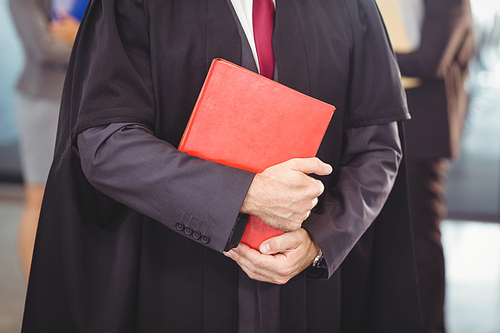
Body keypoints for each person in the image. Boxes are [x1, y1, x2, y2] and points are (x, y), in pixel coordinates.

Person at [21, 0, 422, 332]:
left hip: (303, 293)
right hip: (174, 276)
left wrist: (320, 241)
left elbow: (377, 146)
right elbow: (104, 139)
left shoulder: (349, 5)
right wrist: (245, 193)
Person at [378, 0, 474, 331]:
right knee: (395, 241)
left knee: (419, 240)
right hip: (393, 130)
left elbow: (429, 60)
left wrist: (362, 52)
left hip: (422, 137)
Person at [9, 0, 82, 278]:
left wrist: (76, 34)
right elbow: (44, 49)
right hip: (43, 104)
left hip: (76, 99)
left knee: (72, 201)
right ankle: (33, 292)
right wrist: (85, 38)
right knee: (38, 200)